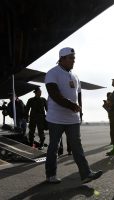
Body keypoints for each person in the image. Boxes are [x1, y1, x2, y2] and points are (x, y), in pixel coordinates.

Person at [44, 47, 102, 184]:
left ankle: (86, 174)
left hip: (72, 118)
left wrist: (80, 112)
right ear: (62, 59)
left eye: (74, 58)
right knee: (54, 147)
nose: (73, 61)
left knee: (77, 147)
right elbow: (54, 94)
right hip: (56, 118)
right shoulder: (52, 73)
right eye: (71, 58)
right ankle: (50, 175)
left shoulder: (75, 76)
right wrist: (71, 105)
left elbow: (79, 95)